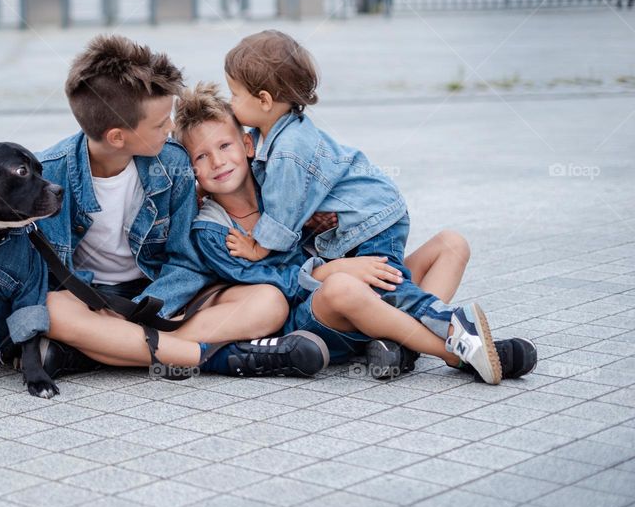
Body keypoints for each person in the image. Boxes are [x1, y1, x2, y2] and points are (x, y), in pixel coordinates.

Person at [174, 81, 537, 381]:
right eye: (201, 157)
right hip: (310, 315)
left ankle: (400, 349)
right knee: (345, 286)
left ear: (248, 145)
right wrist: (332, 268)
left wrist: (325, 225)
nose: (218, 161)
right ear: (191, 169)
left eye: (224, 146)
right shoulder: (211, 230)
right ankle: (455, 353)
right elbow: (272, 284)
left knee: (451, 244)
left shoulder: (280, 183)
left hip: (354, 289)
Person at [34, 35, 329, 380]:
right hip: (90, 299)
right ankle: (214, 357)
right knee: (50, 309)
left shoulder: (171, 164)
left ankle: (99, 352)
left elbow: (185, 263)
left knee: (268, 302)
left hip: (163, 296)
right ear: (117, 137)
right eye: (160, 125)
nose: (171, 128)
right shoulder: (49, 174)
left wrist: (141, 313)